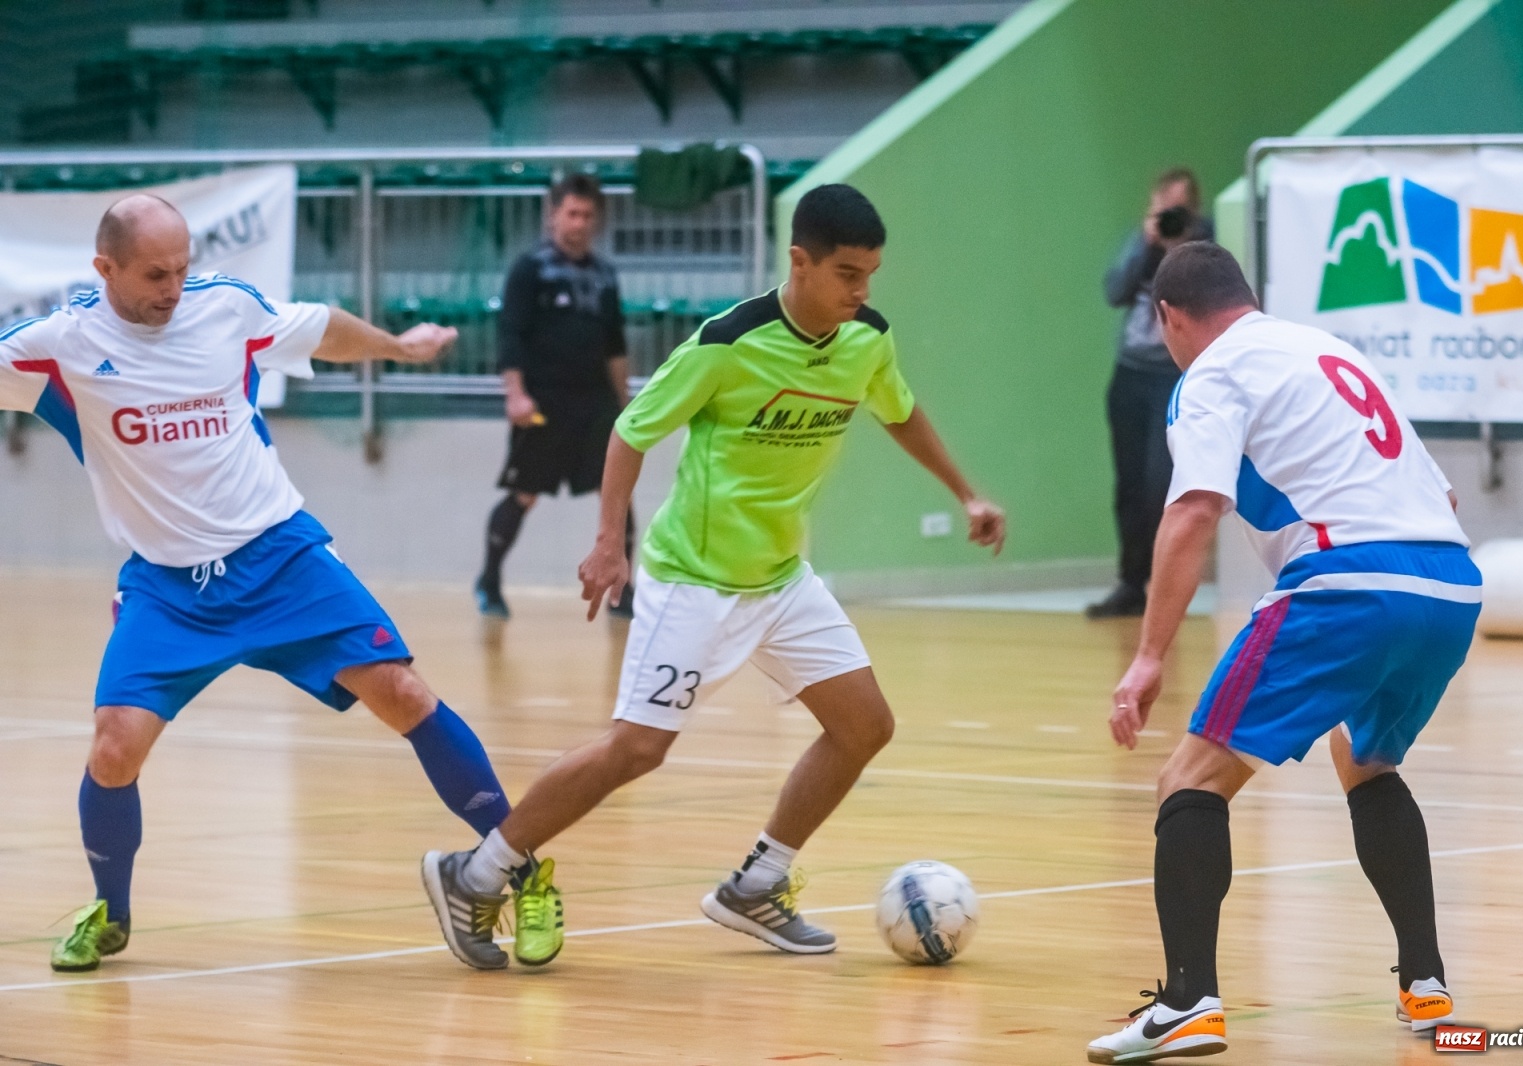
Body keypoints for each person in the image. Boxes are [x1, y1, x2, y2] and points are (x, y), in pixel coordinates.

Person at [420, 183, 1007, 971]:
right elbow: (632, 432)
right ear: (798, 261)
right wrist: (607, 545)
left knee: (864, 724)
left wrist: (964, 491)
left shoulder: (867, 339)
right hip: (694, 579)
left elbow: (897, 410)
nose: (862, 291)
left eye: (871, 274)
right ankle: (477, 872)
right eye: (846, 274)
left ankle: (756, 884)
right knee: (636, 750)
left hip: (780, 576)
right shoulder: (726, 344)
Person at [0, 195, 524, 973]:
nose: (173, 287)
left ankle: (518, 868)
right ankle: (109, 914)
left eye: (180, 268)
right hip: (167, 589)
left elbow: (321, 327)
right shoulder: (58, 348)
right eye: (153, 274)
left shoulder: (225, 309)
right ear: (103, 269)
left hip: (280, 558)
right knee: (114, 749)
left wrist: (399, 349)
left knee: (407, 694)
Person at [1088, 242, 1478, 1064]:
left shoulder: (1212, 374)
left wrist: (1149, 654)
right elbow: (1440, 493)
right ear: (1248, 295)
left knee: (1189, 779)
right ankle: (1426, 981)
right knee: (1363, 761)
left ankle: (1189, 1002)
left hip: (1349, 581)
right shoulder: (1330, 351)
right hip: (1449, 582)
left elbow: (1193, 509)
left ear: (1170, 319)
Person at [475, 173, 636, 620]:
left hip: (595, 402)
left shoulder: (605, 275)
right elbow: (510, 335)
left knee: (617, 494)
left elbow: (615, 345)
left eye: (588, 215)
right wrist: (516, 395)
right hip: (543, 403)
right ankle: (489, 582)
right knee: (525, 494)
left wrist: (625, 407)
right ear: (554, 216)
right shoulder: (531, 270)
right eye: (572, 213)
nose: (580, 223)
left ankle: (624, 590)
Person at [1089, 168, 1213, 619]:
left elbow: (1204, 301)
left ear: (1194, 210)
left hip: (1174, 376)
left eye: (1175, 210)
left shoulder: (1205, 248)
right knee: (1129, 485)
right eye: (1160, 208)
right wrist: (1147, 244)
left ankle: (1167, 585)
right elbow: (1114, 290)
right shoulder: (1140, 240)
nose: (1167, 218)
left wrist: (1180, 250)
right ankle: (1130, 584)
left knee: (1162, 483)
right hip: (1130, 374)